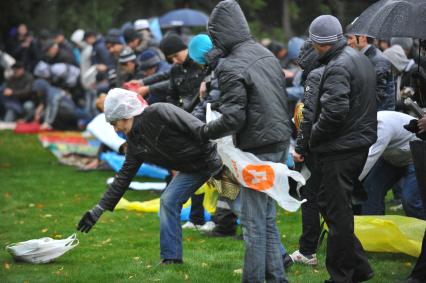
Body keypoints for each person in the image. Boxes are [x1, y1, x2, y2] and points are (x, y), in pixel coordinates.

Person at [77, 88, 223, 265]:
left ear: (125, 115)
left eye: (115, 124)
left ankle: (262, 247)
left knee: (242, 206)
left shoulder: (160, 111)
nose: (115, 130)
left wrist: (217, 168)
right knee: (168, 201)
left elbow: (201, 131)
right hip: (193, 169)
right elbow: (123, 178)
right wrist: (98, 210)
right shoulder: (134, 143)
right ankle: (171, 259)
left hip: (216, 160)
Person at [203, 1, 291, 281]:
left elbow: (233, 119)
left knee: (253, 223)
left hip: (258, 148)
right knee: (265, 216)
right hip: (279, 141)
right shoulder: (265, 53)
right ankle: (277, 277)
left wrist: (204, 132)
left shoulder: (231, 66)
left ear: (219, 34)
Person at [308, 15, 377, 282]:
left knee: (337, 213)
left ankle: (341, 276)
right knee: (332, 205)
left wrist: (313, 136)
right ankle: (359, 268)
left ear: (317, 42)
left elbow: (335, 112)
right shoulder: (359, 57)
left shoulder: (337, 66)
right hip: (357, 143)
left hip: (341, 148)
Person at [290, 39, 324, 266]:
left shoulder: (315, 76)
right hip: (329, 147)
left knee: (309, 197)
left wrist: (300, 149)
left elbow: (309, 117)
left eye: (302, 63)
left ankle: (307, 250)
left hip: (315, 149)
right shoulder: (331, 71)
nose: (300, 68)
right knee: (330, 202)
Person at [359, 111, 425, 220]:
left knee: (410, 199)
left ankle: (421, 231)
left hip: (416, 157)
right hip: (392, 157)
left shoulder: (382, 126)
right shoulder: (363, 124)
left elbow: (370, 157)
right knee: (370, 189)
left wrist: (350, 183)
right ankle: (374, 230)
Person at [347, 31, 395, 111]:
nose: (348, 42)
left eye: (351, 38)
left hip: (379, 118)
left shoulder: (378, 61)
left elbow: (378, 97)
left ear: (362, 38)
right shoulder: (365, 57)